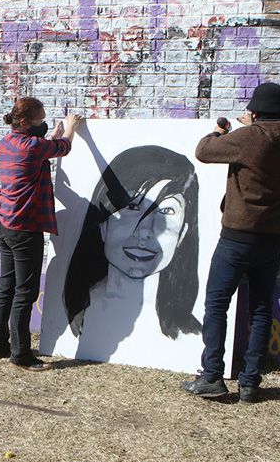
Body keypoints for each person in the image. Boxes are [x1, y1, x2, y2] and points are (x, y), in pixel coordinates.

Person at [181, 82, 280, 403]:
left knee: (217, 304)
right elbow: (268, 138)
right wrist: (253, 126)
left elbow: (204, 150)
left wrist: (220, 131)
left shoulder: (249, 137)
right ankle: (249, 383)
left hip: (237, 237)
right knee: (260, 310)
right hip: (272, 238)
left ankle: (212, 376)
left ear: (255, 112)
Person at [63, 145, 201, 346]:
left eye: (167, 211)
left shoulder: (191, 337)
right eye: (132, 206)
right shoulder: (83, 316)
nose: (145, 232)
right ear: (103, 222)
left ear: (183, 232)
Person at [0, 97, 82, 371]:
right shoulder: (33, 146)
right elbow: (63, 147)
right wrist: (70, 128)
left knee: (6, 286)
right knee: (25, 292)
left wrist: (50, 136)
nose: (43, 123)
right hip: (25, 228)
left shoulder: (7, 142)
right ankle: (20, 355)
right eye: (40, 119)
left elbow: (39, 151)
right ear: (27, 121)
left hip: (4, 222)